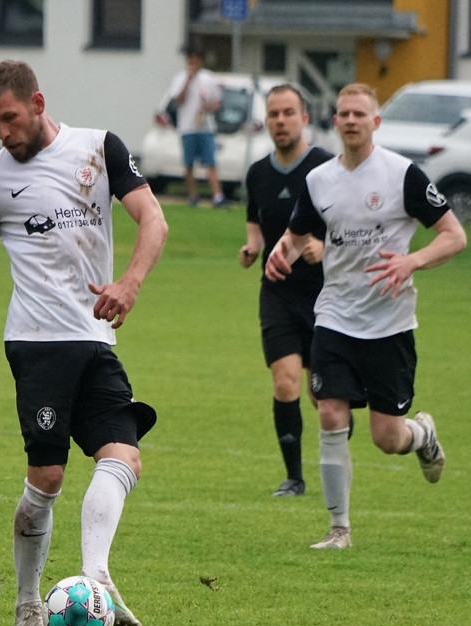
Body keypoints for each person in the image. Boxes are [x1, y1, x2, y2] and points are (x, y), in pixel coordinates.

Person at [0, 61, 168, 626]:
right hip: (37, 342)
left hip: (96, 336)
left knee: (123, 457)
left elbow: (153, 219)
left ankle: (95, 575)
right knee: (47, 478)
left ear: (38, 102)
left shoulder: (99, 148)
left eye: (10, 118)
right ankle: (28, 603)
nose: (3, 132)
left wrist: (129, 283)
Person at [265, 83, 466, 550]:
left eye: (360, 114)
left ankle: (422, 435)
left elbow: (454, 236)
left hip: (389, 322)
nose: (351, 120)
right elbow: (298, 234)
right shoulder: (319, 180)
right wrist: (282, 252)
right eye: (344, 114)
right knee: (330, 411)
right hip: (335, 315)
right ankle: (339, 529)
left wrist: (411, 261)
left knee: (387, 437)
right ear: (335, 122)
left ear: (376, 122)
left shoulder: (402, 175)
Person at [239, 84, 334, 497]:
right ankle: (294, 478)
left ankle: (336, 446)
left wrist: (324, 246)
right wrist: (252, 247)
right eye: (274, 114)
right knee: (285, 382)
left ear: (304, 118)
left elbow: (349, 224)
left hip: (325, 294)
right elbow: (255, 220)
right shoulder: (258, 173)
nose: (280, 121)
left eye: (288, 113)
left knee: (323, 397)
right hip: (277, 291)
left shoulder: (326, 168)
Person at [166, 44, 226, 207]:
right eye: (190, 61)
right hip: (187, 128)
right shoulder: (180, 78)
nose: (193, 64)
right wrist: (188, 80)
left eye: (196, 61)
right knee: (189, 164)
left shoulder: (208, 78)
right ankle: (193, 196)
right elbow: (178, 100)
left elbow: (217, 101)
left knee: (211, 163)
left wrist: (208, 107)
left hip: (205, 127)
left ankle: (217, 196)